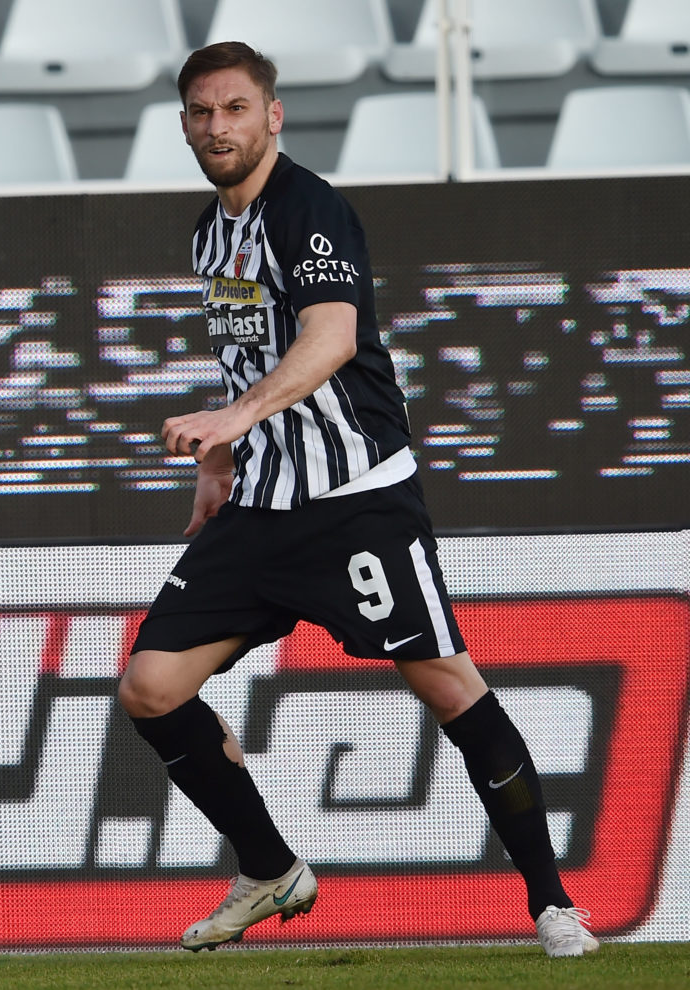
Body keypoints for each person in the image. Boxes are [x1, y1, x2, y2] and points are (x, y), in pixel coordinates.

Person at [118, 40, 599, 959]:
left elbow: (331, 337)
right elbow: (250, 353)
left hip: (356, 503)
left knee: (450, 690)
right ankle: (270, 869)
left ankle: (554, 905)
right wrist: (220, 462)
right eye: (202, 112)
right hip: (262, 505)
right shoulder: (210, 231)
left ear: (273, 116)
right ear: (183, 125)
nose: (218, 127)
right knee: (150, 688)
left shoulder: (309, 209)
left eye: (235, 109)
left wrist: (232, 418)